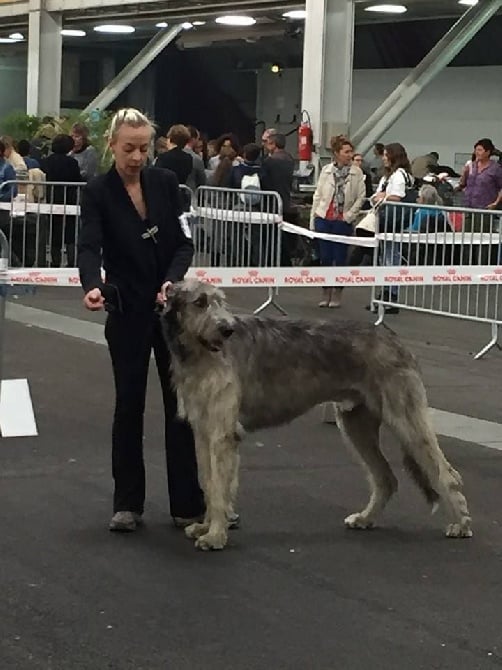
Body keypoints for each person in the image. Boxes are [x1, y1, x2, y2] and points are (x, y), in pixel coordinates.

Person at [77, 108, 206, 533]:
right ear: (111, 145)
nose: (136, 157)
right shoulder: (97, 191)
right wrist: (92, 284)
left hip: (171, 316)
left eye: (144, 148)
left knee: (180, 410)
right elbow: (89, 246)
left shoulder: (166, 184)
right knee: (128, 405)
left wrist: (171, 282)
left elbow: (183, 245)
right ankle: (127, 503)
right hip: (126, 310)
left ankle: (188, 503)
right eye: (129, 148)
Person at [310, 135, 365, 308]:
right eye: (346, 152)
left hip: (343, 221)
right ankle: (325, 291)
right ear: (336, 153)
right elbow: (318, 196)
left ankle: (338, 292)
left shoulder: (357, 173)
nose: (350, 155)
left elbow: (360, 197)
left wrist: (349, 216)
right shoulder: (326, 170)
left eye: (351, 152)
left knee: (340, 258)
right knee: (325, 257)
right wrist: (314, 219)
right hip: (324, 219)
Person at [372, 142, 415, 313]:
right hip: (387, 219)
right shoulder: (389, 175)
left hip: (393, 219)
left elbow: (397, 196)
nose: (383, 158)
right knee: (386, 256)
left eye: (385, 155)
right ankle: (386, 293)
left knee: (391, 257)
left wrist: (384, 196)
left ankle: (391, 295)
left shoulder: (399, 175)